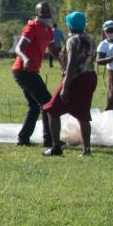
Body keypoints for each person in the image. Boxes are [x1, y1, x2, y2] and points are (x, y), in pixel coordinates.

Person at [41, 11, 97, 156]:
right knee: (83, 114)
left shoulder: (73, 40)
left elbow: (72, 63)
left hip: (75, 78)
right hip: (90, 76)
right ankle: (87, 150)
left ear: (70, 25)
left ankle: (56, 148)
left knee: (52, 110)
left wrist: (65, 86)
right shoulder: (90, 39)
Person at [9, 2, 56, 146]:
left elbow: (54, 50)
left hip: (32, 70)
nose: (46, 15)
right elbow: (18, 48)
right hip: (23, 70)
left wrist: (65, 60)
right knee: (47, 103)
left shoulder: (49, 30)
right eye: (43, 13)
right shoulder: (32, 27)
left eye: (48, 13)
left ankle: (23, 138)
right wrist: (25, 58)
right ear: (37, 13)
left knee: (35, 106)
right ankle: (49, 140)